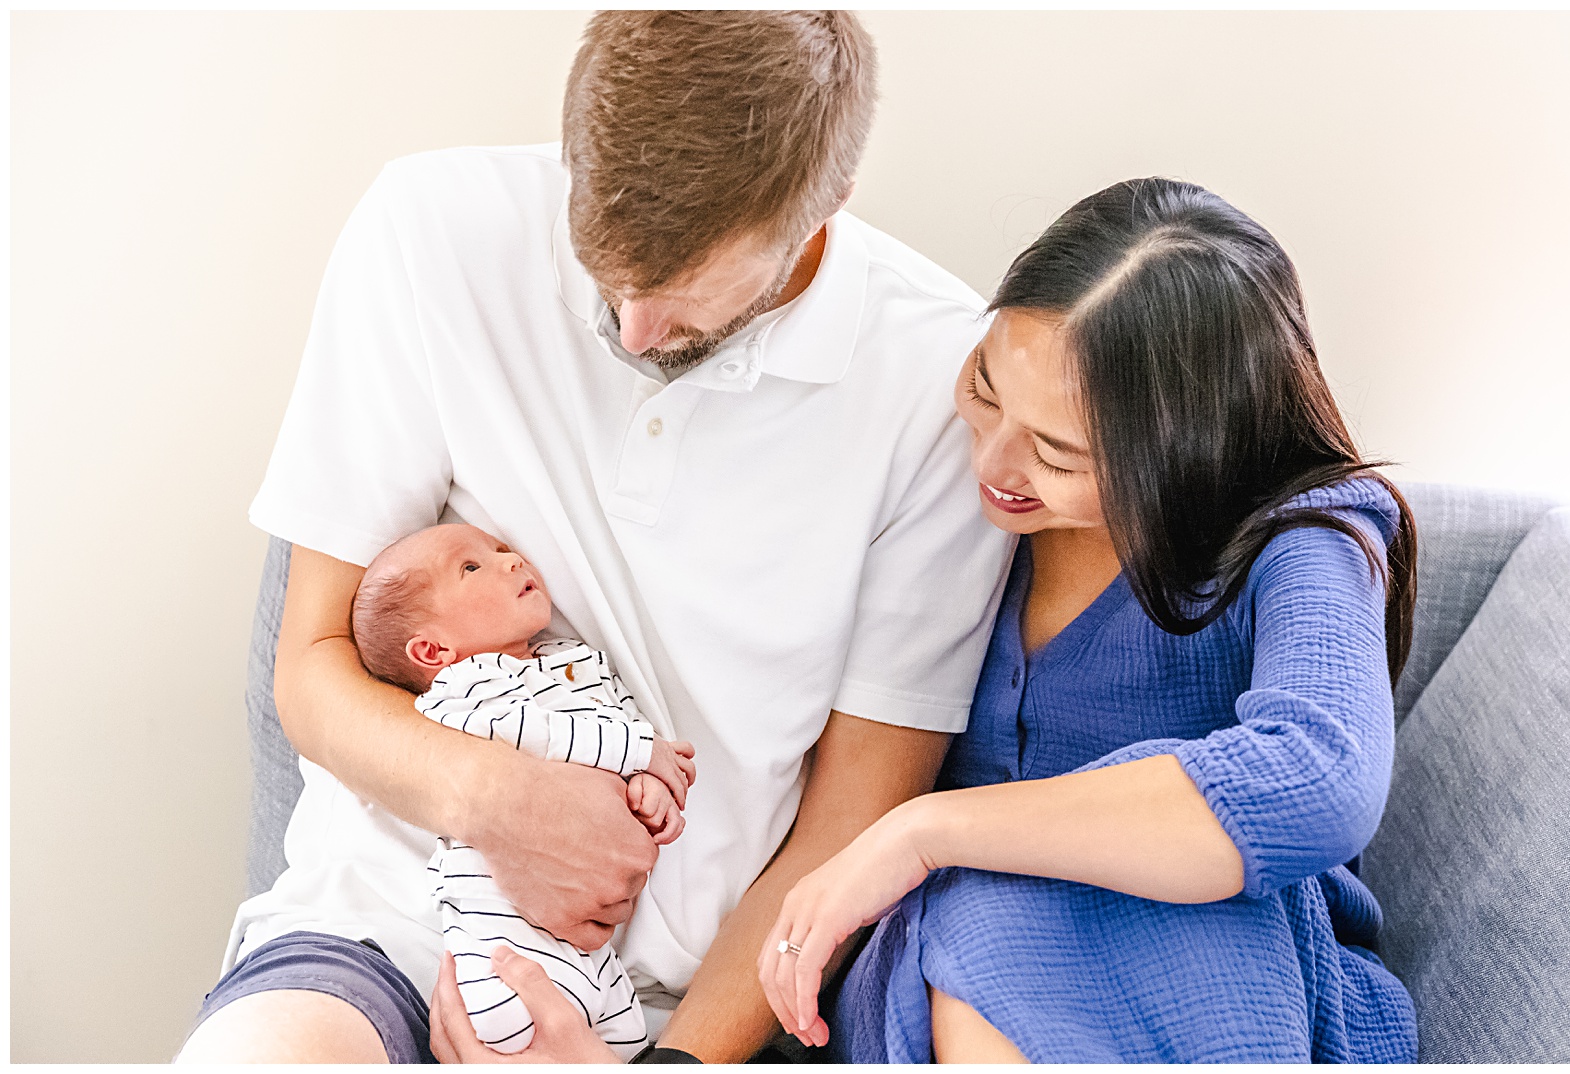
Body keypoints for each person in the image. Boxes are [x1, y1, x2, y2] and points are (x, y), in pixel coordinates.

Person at [177, 10, 1012, 1064]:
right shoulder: (429, 230)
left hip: (680, 1011)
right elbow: (308, 671)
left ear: (825, 205)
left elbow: (850, 824)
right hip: (377, 929)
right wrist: (501, 804)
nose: (631, 331)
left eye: (681, 297)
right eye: (605, 276)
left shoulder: (937, 383)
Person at [756, 177, 1422, 1063]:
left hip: (1232, 984)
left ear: (1185, 444)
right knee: (987, 910)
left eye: (1059, 453)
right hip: (934, 978)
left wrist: (932, 832)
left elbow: (1321, 777)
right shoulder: (930, 491)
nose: (992, 463)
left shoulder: (1300, 535)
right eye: (986, 389)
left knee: (1001, 897)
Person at [347, 522, 697, 1057]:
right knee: (513, 1037)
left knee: (629, 1044)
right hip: (502, 952)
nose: (510, 561)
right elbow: (541, 734)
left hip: (598, 958)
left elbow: (617, 721)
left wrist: (651, 786)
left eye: (502, 549)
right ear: (432, 649)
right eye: (471, 567)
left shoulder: (576, 662)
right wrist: (642, 751)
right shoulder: (461, 693)